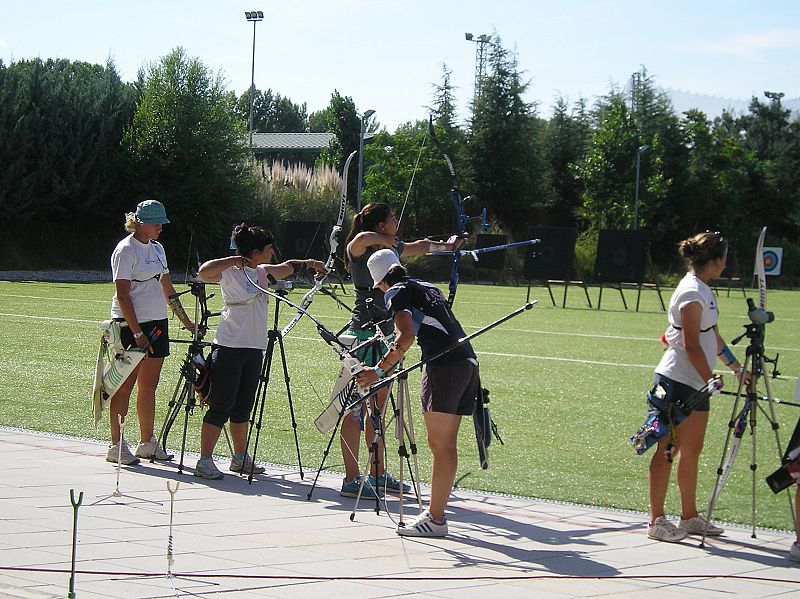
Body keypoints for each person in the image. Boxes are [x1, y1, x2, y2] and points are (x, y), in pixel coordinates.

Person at [341, 202, 462, 498]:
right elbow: (360, 239)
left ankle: (378, 475)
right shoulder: (361, 249)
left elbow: (421, 246)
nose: (397, 222)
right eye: (392, 219)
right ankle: (351, 478)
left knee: (378, 409)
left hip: (385, 337)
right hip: (363, 335)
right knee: (355, 408)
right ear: (381, 225)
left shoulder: (390, 248)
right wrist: (387, 241)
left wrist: (446, 246)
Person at [355, 249, 478, 537]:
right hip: (466, 362)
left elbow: (406, 335)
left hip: (444, 367)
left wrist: (379, 371)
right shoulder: (425, 286)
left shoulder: (395, 292)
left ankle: (435, 519)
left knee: (441, 446)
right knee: (446, 446)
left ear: (379, 281)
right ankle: (436, 515)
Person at [194, 224, 327, 479]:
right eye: (267, 249)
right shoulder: (230, 272)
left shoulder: (263, 271)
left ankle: (240, 458)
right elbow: (204, 271)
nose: (271, 252)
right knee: (221, 406)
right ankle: (205, 460)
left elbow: (287, 266)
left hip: (254, 348)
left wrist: (312, 264)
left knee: (243, 406)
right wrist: (235, 260)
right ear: (254, 252)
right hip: (229, 347)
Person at [646, 231, 749, 542]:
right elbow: (691, 344)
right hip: (675, 382)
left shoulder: (703, 289)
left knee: (692, 450)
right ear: (715, 261)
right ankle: (656, 520)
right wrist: (710, 378)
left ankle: (688, 516)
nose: (726, 264)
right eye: (724, 259)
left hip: (696, 385)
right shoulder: (691, 292)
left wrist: (736, 369)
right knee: (668, 449)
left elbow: (712, 337)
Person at [108, 200, 195, 465]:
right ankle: (117, 445)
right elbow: (123, 295)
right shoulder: (125, 250)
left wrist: (186, 321)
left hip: (157, 322)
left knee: (149, 385)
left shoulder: (158, 249)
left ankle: (147, 443)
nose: (161, 228)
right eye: (157, 223)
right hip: (130, 325)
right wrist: (136, 333)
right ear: (141, 223)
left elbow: (168, 288)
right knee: (124, 385)